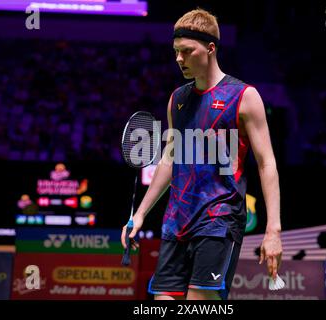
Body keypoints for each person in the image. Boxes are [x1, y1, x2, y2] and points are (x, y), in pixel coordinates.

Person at [121, 8, 282, 300]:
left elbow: (266, 163)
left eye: (186, 51)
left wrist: (273, 230)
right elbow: (170, 160)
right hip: (176, 221)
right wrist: (141, 214)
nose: (179, 59)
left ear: (210, 49)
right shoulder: (178, 99)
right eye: (175, 52)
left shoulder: (244, 97)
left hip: (218, 221)